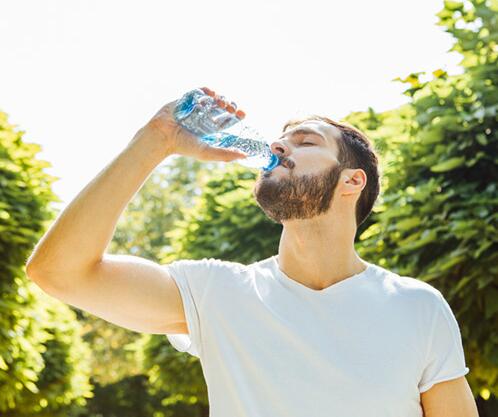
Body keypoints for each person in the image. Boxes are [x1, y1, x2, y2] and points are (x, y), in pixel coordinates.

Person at [26, 88, 478, 417]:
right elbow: (58, 272)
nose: (279, 146)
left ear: (351, 181)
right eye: (282, 140)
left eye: (306, 142)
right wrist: (156, 139)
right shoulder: (216, 293)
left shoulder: (417, 306)